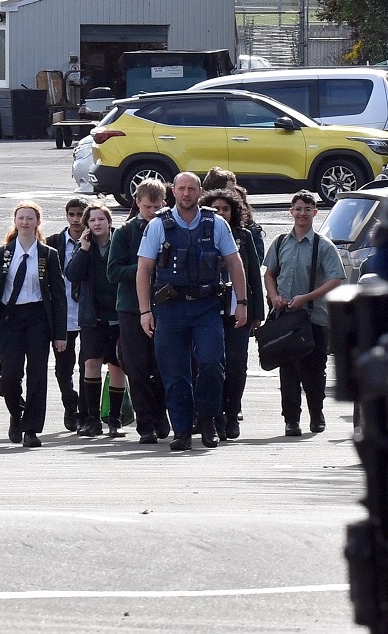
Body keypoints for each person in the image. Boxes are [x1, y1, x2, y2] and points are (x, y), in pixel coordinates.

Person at [135, 171, 249, 451]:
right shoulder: (159, 225)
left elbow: (235, 264)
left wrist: (242, 304)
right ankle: (182, 430)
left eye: (192, 189)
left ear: (200, 191)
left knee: (212, 363)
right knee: (174, 373)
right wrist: (144, 311)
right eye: (181, 189)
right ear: (173, 191)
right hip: (170, 309)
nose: (186, 194)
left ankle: (208, 421)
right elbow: (144, 270)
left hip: (206, 306)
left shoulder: (216, 223)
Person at [0, 202, 68, 447]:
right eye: (21, 218)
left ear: (37, 223)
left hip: (38, 317)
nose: (25, 222)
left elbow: (58, 295)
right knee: (10, 374)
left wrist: (60, 334)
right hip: (10, 318)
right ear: (15, 221)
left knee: (37, 374)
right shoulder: (3, 253)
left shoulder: (48, 254)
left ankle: (31, 429)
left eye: (30, 218)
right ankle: (16, 412)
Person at [263, 191, 343, 436]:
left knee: (314, 371)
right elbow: (269, 274)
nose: (302, 213)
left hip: (314, 319)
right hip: (286, 319)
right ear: (291, 212)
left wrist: (306, 299)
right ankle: (291, 420)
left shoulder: (323, 245)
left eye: (307, 209)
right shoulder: (279, 243)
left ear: (315, 213)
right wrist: (274, 295)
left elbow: (336, 279)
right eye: (298, 208)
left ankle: (316, 415)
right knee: (288, 371)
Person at [202, 184, 265, 439]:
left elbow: (252, 276)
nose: (220, 212)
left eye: (225, 209)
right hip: (207, 311)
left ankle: (232, 412)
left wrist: (256, 312)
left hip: (238, 311)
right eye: (215, 208)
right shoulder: (201, 234)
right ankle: (214, 415)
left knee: (237, 366)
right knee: (212, 365)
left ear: (234, 212)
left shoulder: (244, 236)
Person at [110, 180, 170, 444]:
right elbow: (112, 271)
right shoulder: (125, 233)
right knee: (136, 368)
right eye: (147, 206)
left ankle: (160, 416)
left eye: (158, 206)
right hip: (131, 309)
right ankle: (145, 423)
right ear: (137, 203)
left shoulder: (169, 228)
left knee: (162, 365)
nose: (152, 211)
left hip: (163, 307)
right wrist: (144, 268)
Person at [65, 203, 126, 439]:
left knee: (117, 365)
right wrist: (83, 249)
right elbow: (72, 274)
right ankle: (92, 418)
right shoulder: (86, 248)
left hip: (118, 316)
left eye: (101, 219)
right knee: (91, 363)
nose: (97, 223)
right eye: (92, 220)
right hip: (93, 316)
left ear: (109, 222)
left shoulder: (118, 243)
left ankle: (115, 418)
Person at [47, 197, 89, 432]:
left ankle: (84, 411)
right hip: (63, 314)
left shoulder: (92, 241)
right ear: (66, 216)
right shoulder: (53, 243)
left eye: (80, 215)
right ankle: (69, 403)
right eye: (72, 214)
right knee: (63, 367)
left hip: (87, 312)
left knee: (87, 365)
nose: (76, 220)